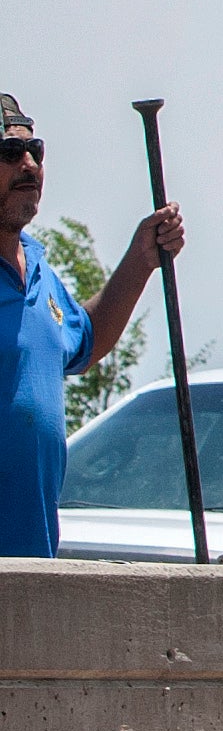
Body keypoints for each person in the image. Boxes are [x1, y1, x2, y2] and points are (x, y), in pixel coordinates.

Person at [1, 95, 181, 558]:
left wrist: (142, 259)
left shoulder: (36, 270)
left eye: (34, 151)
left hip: (31, 560)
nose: (28, 165)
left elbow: (87, 339)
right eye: (8, 153)